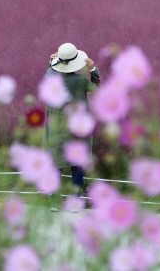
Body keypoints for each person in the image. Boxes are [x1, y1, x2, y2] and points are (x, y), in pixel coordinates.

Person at [43, 43, 100, 212]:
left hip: (57, 129)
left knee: (56, 165)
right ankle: (75, 203)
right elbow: (96, 88)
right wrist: (93, 69)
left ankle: (54, 202)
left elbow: (49, 74)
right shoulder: (81, 81)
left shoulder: (51, 79)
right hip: (77, 129)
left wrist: (50, 64)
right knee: (77, 165)